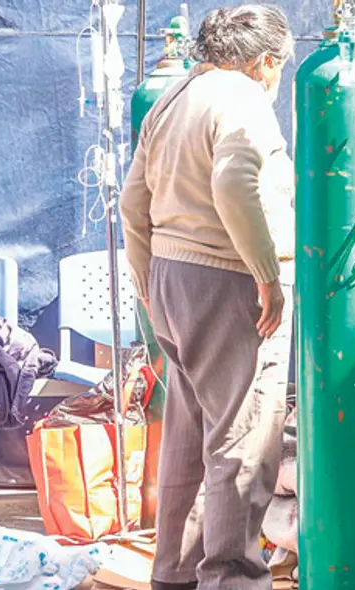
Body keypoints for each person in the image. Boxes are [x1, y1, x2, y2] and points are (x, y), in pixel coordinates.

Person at [120, 5, 295, 589]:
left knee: (190, 437)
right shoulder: (244, 98)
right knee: (244, 441)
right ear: (265, 62)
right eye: (280, 69)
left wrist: (149, 285)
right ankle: (232, 579)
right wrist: (267, 274)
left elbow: (131, 204)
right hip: (227, 282)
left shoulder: (174, 96)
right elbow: (232, 181)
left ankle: (172, 572)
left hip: (171, 279)